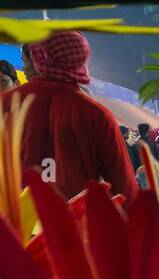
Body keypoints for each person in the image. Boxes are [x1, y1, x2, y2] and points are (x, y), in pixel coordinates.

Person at [0, 32, 136, 200]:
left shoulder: (5, 104)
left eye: (27, 60)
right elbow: (125, 192)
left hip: (14, 224)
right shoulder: (97, 115)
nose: (25, 68)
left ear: (40, 59)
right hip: (77, 223)